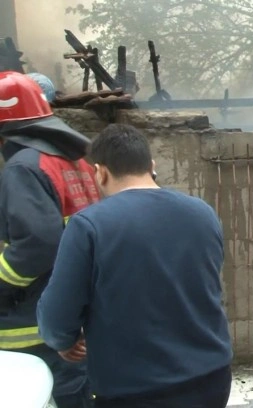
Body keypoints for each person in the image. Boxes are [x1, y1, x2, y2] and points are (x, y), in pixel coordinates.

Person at [37, 124, 233, 408]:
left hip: (135, 390)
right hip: (212, 380)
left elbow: (57, 318)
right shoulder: (203, 213)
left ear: (100, 172)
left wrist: (64, 340)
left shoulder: (89, 226)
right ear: (151, 166)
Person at [0, 71, 97, 407]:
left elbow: (39, 243)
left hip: (32, 329)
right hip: (72, 322)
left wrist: (1, 280)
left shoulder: (23, 168)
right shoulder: (74, 163)